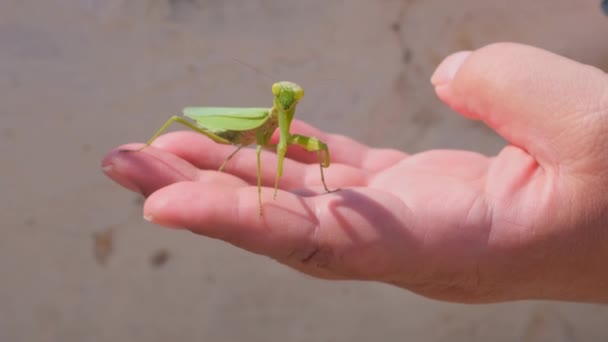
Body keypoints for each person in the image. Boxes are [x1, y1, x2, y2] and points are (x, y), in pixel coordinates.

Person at [102, 43, 608, 303]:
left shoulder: (283, 126)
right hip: (229, 129)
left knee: (308, 148)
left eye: (292, 98)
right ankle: (148, 149)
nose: (291, 101)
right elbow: (258, 151)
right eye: (286, 98)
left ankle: (318, 183)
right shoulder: (261, 125)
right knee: (187, 128)